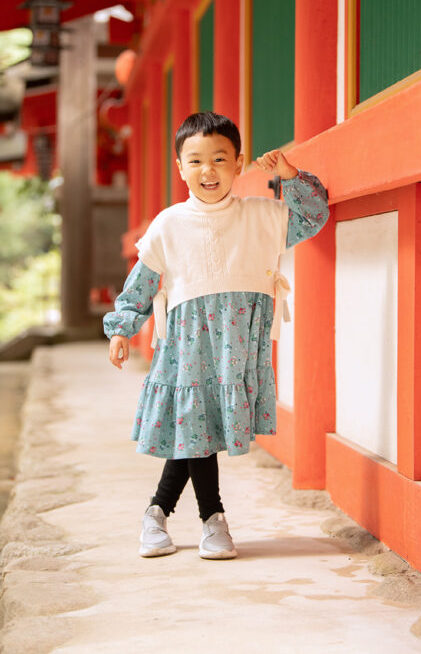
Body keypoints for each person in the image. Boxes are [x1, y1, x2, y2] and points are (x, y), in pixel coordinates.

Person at [103, 111, 329, 560]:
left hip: (237, 346)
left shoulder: (263, 217)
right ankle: (213, 519)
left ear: (239, 163)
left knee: (196, 432)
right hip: (187, 347)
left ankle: (156, 512)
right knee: (197, 428)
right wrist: (122, 329)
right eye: (197, 161)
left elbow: (315, 215)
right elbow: (142, 284)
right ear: (180, 167)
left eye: (220, 159)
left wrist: (291, 176)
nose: (208, 171)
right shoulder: (168, 225)